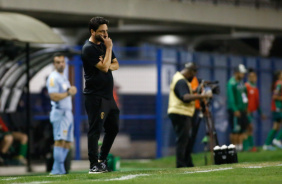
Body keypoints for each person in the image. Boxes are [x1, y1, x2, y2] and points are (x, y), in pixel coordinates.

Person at [81, 17, 120, 174]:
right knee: (95, 129)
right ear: (93, 32)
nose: (105, 34)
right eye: (102, 31)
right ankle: (93, 165)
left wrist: (106, 62)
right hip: (95, 96)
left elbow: (115, 65)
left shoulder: (103, 45)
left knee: (113, 128)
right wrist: (109, 49)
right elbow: (104, 69)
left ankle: (102, 160)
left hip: (108, 96)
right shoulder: (88, 48)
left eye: (106, 31)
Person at [167, 62, 212, 168]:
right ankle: (181, 165)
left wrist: (196, 91)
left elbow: (185, 93)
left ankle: (186, 163)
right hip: (180, 113)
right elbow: (185, 97)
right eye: (193, 74)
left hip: (181, 113)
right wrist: (203, 96)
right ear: (190, 71)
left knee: (186, 140)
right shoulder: (181, 81)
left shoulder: (179, 78)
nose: (193, 77)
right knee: (183, 140)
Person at [46, 53, 77, 175]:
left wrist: (70, 92)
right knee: (59, 140)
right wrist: (69, 93)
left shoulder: (64, 77)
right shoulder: (53, 78)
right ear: (54, 64)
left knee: (67, 142)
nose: (61, 64)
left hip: (68, 113)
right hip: (60, 113)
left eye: (62, 62)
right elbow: (53, 96)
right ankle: (57, 169)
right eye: (58, 62)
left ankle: (59, 168)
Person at [227, 64, 248, 151]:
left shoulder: (241, 82)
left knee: (241, 129)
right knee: (235, 130)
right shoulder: (231, 83)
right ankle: (233, 148)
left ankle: (240, 147)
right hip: (235, 110)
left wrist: (245, 106)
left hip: (242, 109)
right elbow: (231, 97)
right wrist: (235, 109)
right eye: (241, 73)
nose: (243, 75)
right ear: (236, 73)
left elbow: (244, 95)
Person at [244, 68, 266, 152]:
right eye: (251, 76)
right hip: (246, 112)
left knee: (250, 129)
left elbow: (257, 103)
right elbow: (244, 99)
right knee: (248, 128)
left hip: (251, 112)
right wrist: (245, 109)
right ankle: (247, 147)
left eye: (254, 76)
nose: (253, 78)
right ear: (249, 77)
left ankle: (250, 147)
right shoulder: (246, 86)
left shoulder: (255, 88)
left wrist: (261, 113)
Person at [263, 70, 282, 150]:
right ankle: (277, 140)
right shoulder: (279, 83)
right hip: (278, 108)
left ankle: (266, 144)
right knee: (276, 126)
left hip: (276, 108)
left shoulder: (278, 83)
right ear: (279, 76)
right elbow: (275, 96)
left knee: (275, 127)